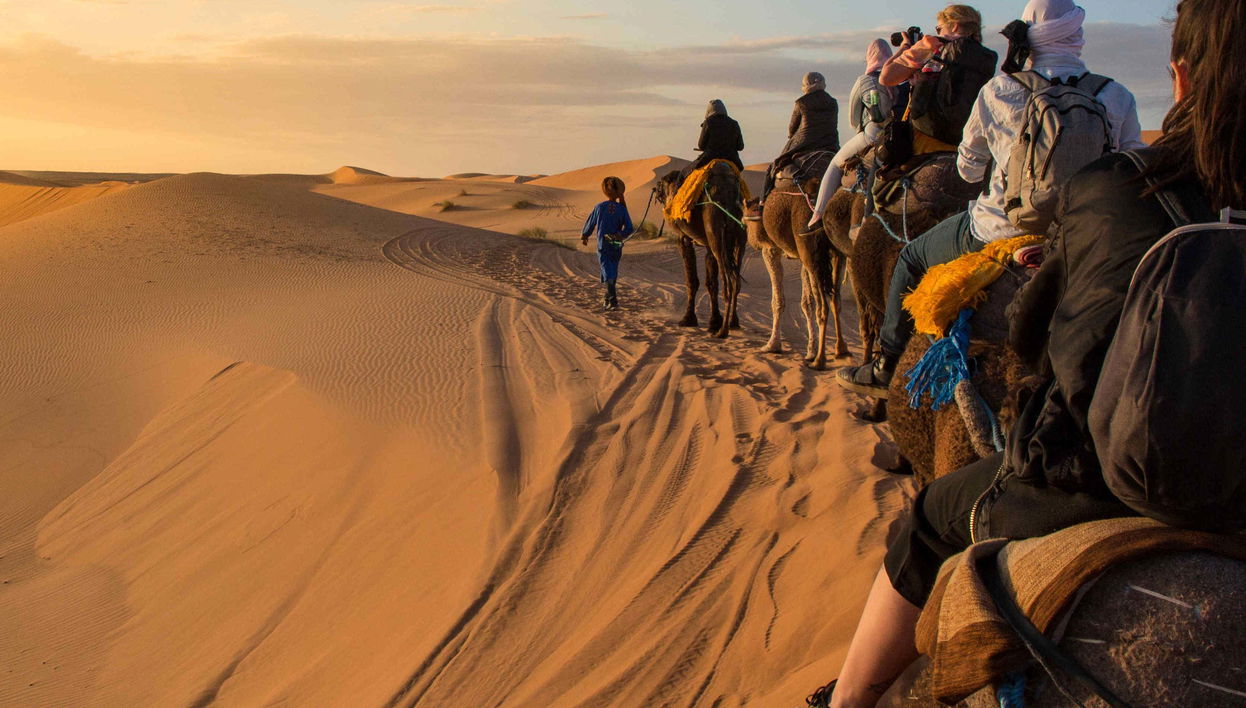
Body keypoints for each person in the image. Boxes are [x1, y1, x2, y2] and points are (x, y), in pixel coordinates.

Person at [805, 1, 1244, 705]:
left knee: (926, 519)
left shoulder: (1058, 141)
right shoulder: (1107, 96)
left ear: (1184, 81)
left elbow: (1039, 331)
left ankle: (848, 698)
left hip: (1100, 474)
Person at [836, 0, 1144, 398]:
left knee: (910, 258)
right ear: (1078, 36)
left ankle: (886, 364)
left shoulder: (1002, 90)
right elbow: (1132, 166)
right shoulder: (1116, 96)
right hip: (1082, 235)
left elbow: (968, 169)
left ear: (1029, 36)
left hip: (997, 229)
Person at [880, 5, 997, 156]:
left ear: (954, 26)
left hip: (926, 137)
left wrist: (906, 46)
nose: (938, 32)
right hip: (966, 142)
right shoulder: (984, 56)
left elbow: (887, 78)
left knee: (879, 165)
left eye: (939, 28)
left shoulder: (932, 45)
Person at [808, 40, 894, 225]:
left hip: (872, 133)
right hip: (896, 134)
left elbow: (854, 118)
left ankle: (817, 214)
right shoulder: (897, 78)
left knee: (834, 164)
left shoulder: (865, 81)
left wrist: (859, 132)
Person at [764, 72, 840, 199]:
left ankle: (763, 201)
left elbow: (792, 129)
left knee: (775, 167)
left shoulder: (801, 103)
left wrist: (793, 138)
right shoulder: (833, 103)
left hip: (803, 144)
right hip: (830, 146)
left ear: (806, 85)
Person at [581, 176, 634, 310]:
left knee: (606, 269)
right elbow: (629, 229)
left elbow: (590, 222)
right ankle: (607, 299)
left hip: (603, 243)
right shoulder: (622, 209)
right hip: (616, 243)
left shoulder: (600, 207)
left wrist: (585, 235)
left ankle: (613, 299)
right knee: (613, 269)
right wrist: (620, 235)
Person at [688, 99, 745, 175]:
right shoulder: (734, 123)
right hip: (732, 158)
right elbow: (740, 146)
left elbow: (701, 145)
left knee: (687, 171)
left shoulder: (708, 122)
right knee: (739, 179)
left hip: (710, 157)